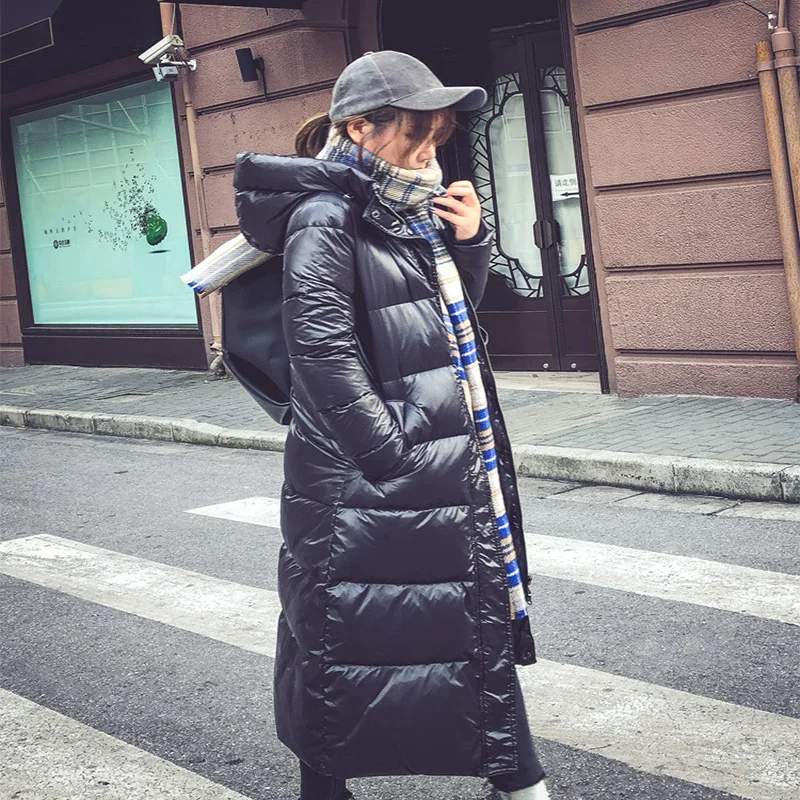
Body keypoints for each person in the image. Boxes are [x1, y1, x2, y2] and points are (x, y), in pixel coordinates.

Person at [233, 50, 550, 800]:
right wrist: (391, 454)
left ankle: (516, 776)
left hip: (422, 462)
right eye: (419, 136)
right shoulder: (325, 215)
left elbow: (438, 323)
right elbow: (322, 352)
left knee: (447, 624)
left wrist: (468, 245)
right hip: (364, 477)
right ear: (359, 129)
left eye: (439, 137)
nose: (432, 153)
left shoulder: (398, 205)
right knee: (345, 637)